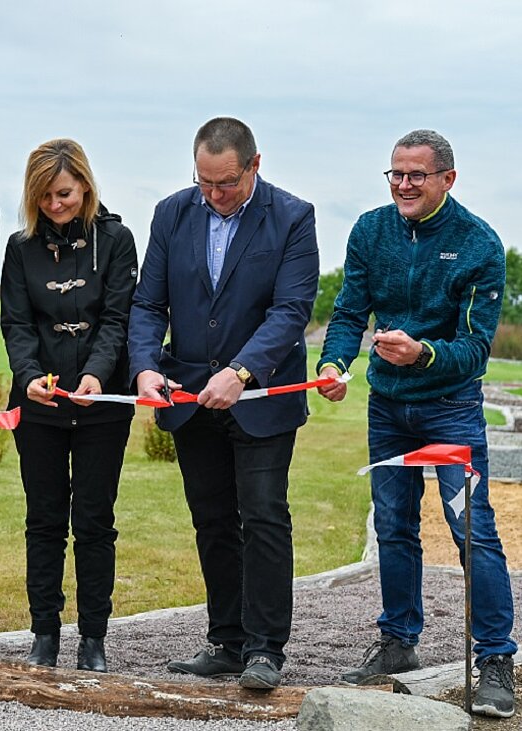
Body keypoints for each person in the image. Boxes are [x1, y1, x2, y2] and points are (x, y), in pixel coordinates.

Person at [316, 129, 517, 718]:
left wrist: (423, 352)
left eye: (416, 176)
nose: (403, 185)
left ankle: (497, 662)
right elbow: (350, 310)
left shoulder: (480, 245)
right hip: (387, 407)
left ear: (446, 180)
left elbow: (475, 349)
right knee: (394, 528)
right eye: (395, 174)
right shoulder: (369, 230)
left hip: (451, 407)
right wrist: (333, 362)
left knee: (472, 530)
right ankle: (398, 642)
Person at [127, 117, 319, 690]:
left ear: (255, 165)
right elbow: (146, 303)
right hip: (188, 396)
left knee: (262, 517)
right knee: (211, 520)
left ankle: (265, 650)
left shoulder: (292, 217)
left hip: (260, 399)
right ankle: (227, 641)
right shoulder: (171, 213)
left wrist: (242, 371)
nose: (215, 195)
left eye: (227, 184)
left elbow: (291, 311)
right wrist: (143, 366)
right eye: (205, 183)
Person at [0, 139, 138, 673]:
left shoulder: (118, 240)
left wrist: (95, 376)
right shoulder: (20, 246)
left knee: (95, 521)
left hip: (101, 402)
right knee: (45, 520)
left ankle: (94, 638)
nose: (55, 205)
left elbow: (117, 320)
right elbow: (16, 322)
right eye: (44, 196)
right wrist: (30, 376)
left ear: (84, 184)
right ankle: (44, 633)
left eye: (63, 193)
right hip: (38, 407)